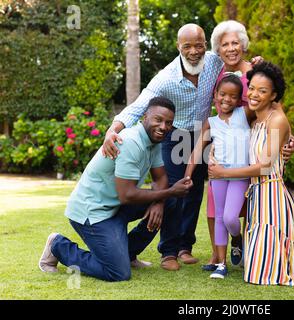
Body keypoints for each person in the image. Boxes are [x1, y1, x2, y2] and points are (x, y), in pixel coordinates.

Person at [101, 24, 270, 272]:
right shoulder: (166, 77)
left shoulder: (213, 62)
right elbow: (139, 105)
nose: (194, 51)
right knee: (173, 190)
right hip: (176, 135)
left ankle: (185, 247)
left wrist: (258, 64)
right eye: (187, 46)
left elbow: (238, 64)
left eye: (199, 45)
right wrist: (113, 129)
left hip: (203, 133)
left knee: (193, 193)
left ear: (205, 45)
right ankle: (168, 251)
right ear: (178, 47)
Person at [38, 97, 193, 282]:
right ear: (145, 117)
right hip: (93, 212)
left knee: (169, 202)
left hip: (115, 205)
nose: (163, 126)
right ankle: (58, 246)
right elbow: (127, 195)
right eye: (158, 120)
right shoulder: (131, 142)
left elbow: (160, 178)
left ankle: (127, 253)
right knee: (118, 273)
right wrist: (169, 192)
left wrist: (160, 202)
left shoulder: (154, 142)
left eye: (169, 123)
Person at [209, 62, 294, 286]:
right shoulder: (254, 120)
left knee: (263, 276)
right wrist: (212, 151)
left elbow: (266, 166)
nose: (254, 94)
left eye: (262, 91)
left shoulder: (276, 119)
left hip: (273, 196)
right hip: (255, 198)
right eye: (252, 88)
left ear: (274, 95)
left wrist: (223, 172)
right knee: (253, 271)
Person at [203, 20, 294, 270]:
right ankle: (217, 254)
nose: (231, 48)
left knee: (241, 205)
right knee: (215, 205)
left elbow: (276, 110)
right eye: (225, 44)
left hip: (253, 145)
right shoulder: (214, 72)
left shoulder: (255, 71)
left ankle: (251, 244)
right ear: (218, 48)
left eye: (235, 42)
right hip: (226, 146)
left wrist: (289, 138)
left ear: (244, 45)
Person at [185, 75, 251, 279]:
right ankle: (221, 263)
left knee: (231, 218)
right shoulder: (210, 122)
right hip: (217, 176)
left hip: (240, 175)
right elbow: (198, 150)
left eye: (233, 96)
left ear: (240, 99)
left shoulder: (245, 113)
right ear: (215, 95)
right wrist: (188, 174)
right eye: (222, 94)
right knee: (220, 217)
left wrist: (258, 68)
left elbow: (269, 106)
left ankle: (237, 239)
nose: (226, 99)